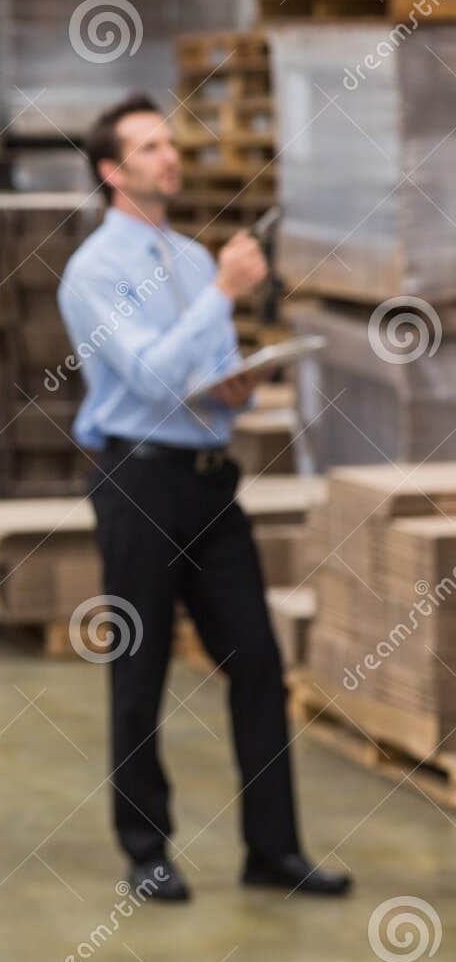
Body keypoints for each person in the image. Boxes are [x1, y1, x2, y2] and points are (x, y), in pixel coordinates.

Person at [57, 94, 350, 902]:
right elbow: (148, 375)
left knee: (256, 659)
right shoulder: (95, 272)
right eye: (149, 147)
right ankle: (146, 850)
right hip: (138, 482)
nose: (170, 157)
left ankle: (273, 850)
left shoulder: (191, 260)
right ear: (113, 172)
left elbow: (208, 382)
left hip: (210, 482)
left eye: (171, 144)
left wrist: (237, 388)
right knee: (140, 665)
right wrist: (224, 291)